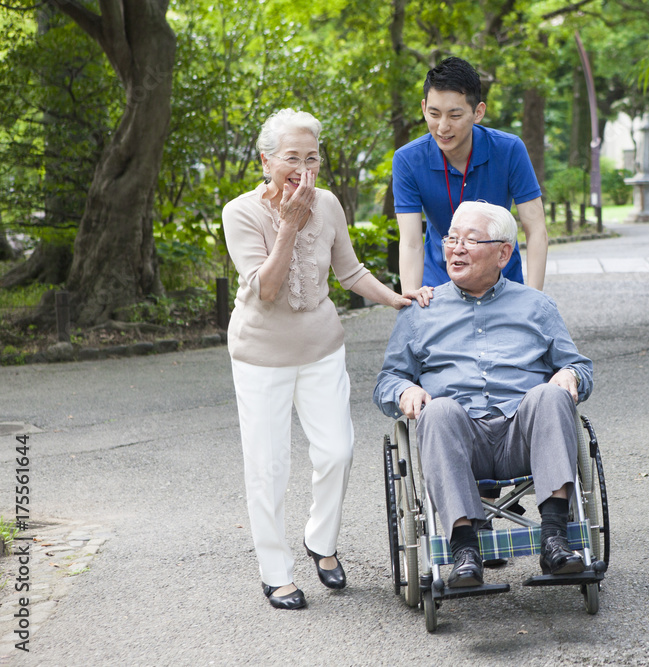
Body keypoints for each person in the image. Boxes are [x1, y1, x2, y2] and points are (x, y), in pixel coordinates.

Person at [224, 108, 433, 610]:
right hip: (261, 356)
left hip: (321, 348)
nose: (302, 167)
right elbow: (268, 290)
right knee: (268, 467)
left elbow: (351, 272)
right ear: (265, 160)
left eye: (311, 157)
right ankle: (275, 573)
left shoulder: (330, 204)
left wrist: (398, 298)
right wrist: (289, 225)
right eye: (290, 157)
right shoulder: (241, 213)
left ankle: (320, 541)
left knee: (337, 450)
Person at [373, 201, 593, 588]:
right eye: (451, 239)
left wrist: (570, 376)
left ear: (503, 253)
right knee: (437, 410)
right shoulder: (420, 311)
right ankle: (464, 552)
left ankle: (555, 538)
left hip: (522, 434)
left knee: (551, 395)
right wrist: (405, 389)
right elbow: (387, 381)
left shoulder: (536, 306)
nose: (456, 248)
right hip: (458, 438)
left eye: (470, 241)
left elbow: (580, 366)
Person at [392, 56, 548, 294]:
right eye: (434, 114)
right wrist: (410, 299)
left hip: (503, 282)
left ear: (478, 112)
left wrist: (535, 297)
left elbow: (535, 229)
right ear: (424, 108)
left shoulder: (509, 149)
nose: (443, 127)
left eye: (454, 116)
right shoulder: (407, 160)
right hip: (439, 284)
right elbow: (411, 242)